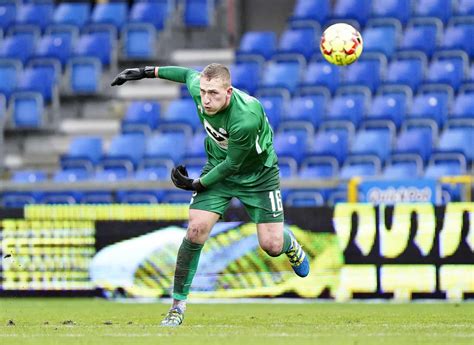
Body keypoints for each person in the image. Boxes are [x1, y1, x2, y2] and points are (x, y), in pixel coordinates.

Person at [111, 64, 310, 327]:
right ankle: (177, 306)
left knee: (271, 246)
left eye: (214, 93)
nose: (206, 99)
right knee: (196, 229)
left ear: (228, 92)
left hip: (258, 176)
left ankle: (289, 243)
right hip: (219, 169)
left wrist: (197, 183)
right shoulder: (201, 90)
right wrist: (146, 72)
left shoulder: (246, 117)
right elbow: (185, 75)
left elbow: (234, 165)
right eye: (204, 92)